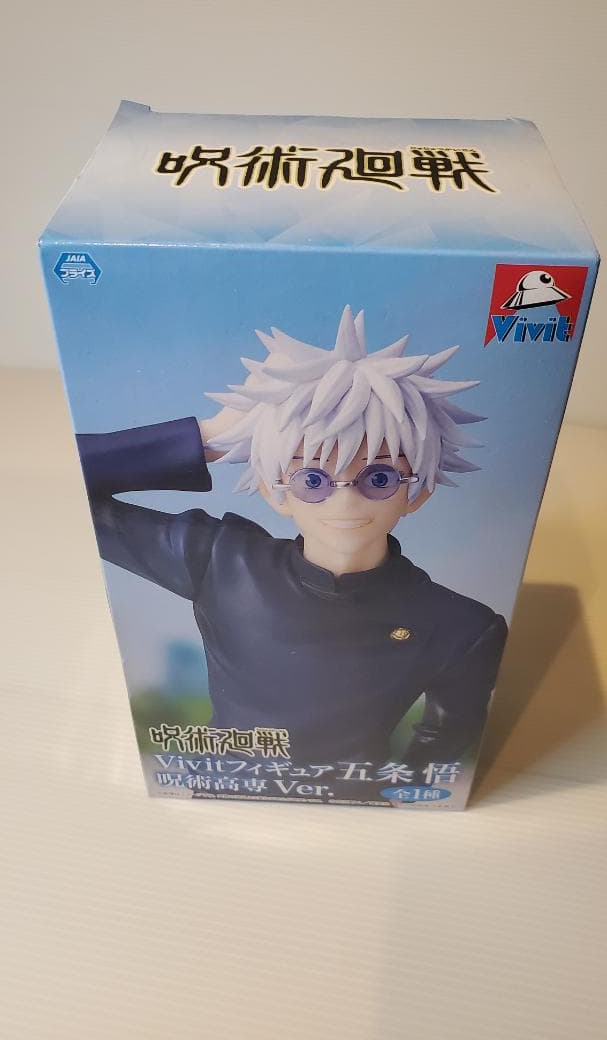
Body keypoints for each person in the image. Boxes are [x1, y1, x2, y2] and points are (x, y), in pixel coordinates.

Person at [77, 306, 507, 801]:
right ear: (274, 491)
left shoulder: (462, 626)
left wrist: (387, 805)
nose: (345, 503)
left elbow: (442, 747)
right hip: (220, 798)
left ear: (419, 492)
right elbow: (73, 487)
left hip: (354, 813)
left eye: (379, 478)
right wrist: (211, 436)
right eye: (312, 480)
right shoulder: (217, 559)